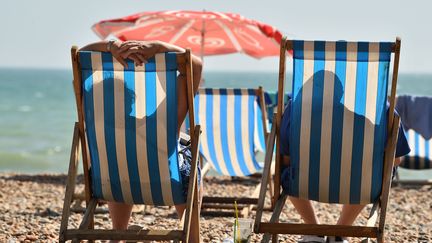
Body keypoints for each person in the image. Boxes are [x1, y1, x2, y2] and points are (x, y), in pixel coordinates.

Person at [80, 40, 203, 243]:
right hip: (166, 184)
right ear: (131, 102)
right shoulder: (160, 123)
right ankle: (191, 237)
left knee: (118, 161)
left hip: (109, 184)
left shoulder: (90, 117)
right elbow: (195, 65)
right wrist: (159, 47)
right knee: (188, 155)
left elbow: (79, 59)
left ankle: (118, 232)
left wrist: (110, 47)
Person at [278, 71, 411, 243]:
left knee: (285, 169)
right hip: (361, 187)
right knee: (375, 170)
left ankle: (313, 230)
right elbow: (396, 159)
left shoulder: (294, 111)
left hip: (303, 184)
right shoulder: (381, 111)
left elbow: (285, 160)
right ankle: (340, 232)